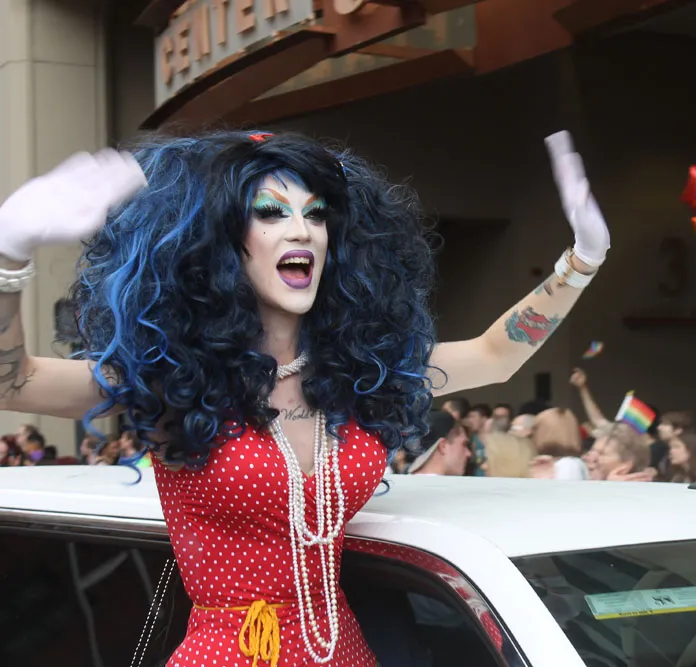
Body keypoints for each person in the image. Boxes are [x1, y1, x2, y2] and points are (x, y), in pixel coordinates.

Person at [0, 129, 611, 666]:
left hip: (344, 650)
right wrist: (9, 251)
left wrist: (582, 260)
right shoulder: (176, 381)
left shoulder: (360, 373)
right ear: (219, 242)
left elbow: (497, 355)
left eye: (316, 215)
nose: (301, 230)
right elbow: (11, 382)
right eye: (270, 213)